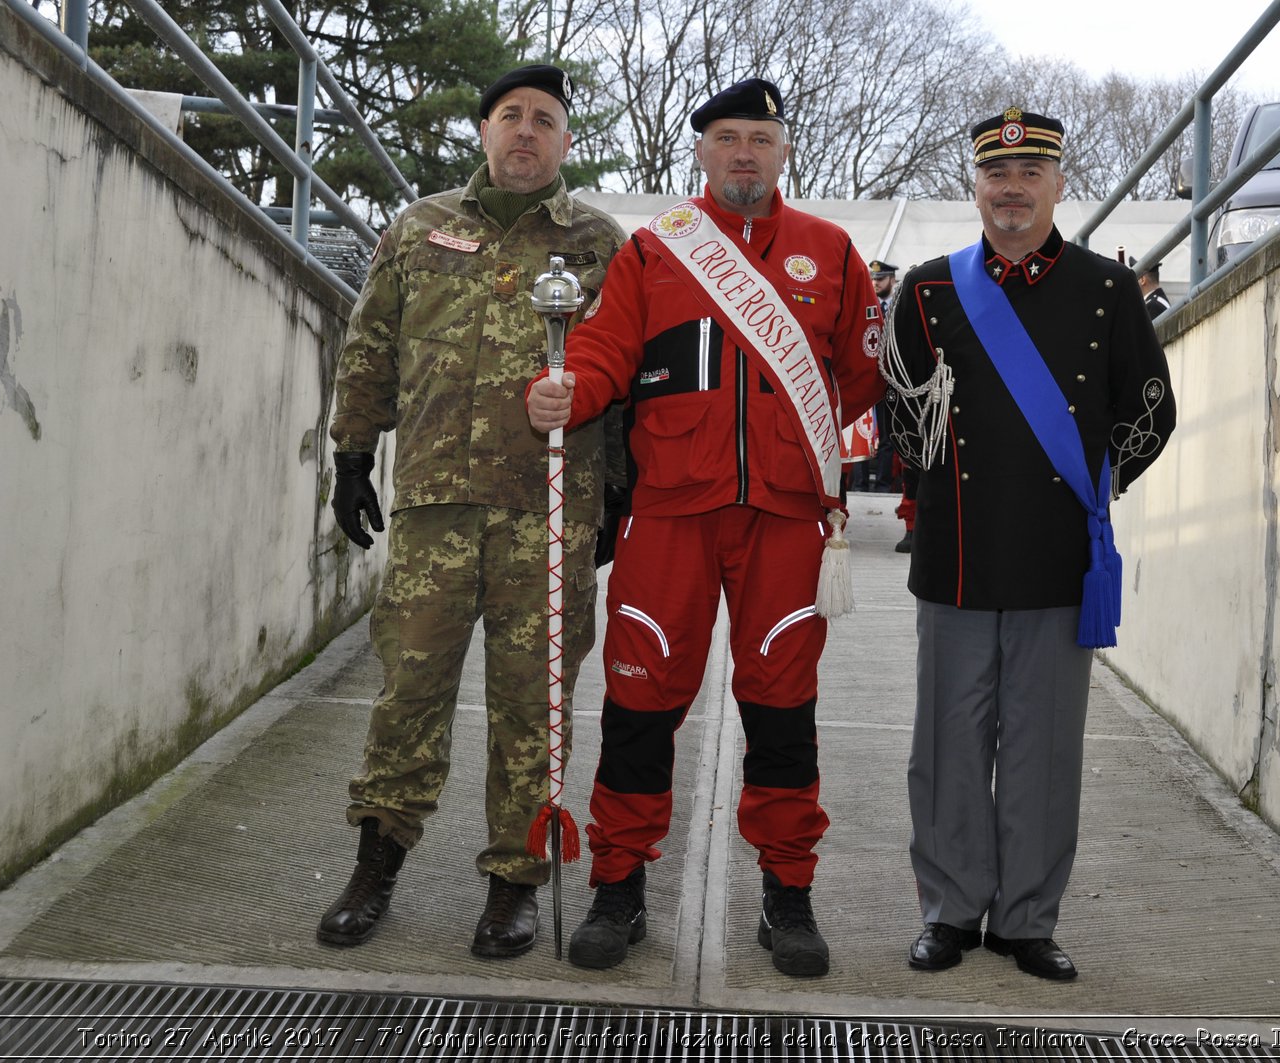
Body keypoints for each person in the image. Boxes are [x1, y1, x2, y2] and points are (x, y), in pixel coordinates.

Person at [526, 78, 887, 978]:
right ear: (702, 151)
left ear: (784, 151)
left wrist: (787, 441)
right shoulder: (656, 250)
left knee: (781, 712)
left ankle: (787, 892)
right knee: (641, 705)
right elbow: (607, 349)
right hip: (672, 513)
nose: (743, 154)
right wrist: (573, 387)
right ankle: (619, 884)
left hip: (787, 519)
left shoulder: (831, 251)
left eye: (760, 138)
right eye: (727, 137)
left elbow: (859, 376)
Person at [318, 64, 627, 960]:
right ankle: (376, 863)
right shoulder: (420, 229)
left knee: (535, 704)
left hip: (550, 514)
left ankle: (513, 885)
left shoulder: (601, 245)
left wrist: (619, 501)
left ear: (566, 142)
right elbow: (370, 343)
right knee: (409, 689)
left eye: (544, 120)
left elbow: (632, 376)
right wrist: (349, 451)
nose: (526, 132)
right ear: (484, 133)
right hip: (435, 510)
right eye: (510, 117)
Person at [882, 108, 1175, 980]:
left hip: (1057, 559)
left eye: (1029, 173)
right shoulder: (929, 291)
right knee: (947, 747)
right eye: (995, 175)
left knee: (1044, 748)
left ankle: (1026, 920)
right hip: (958, 554)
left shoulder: (1108, 291)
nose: (1011, 190)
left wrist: (1093, 489)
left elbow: (1149, 409)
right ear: (974, 186)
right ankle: (949, 910)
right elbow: (899, 413)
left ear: (1056, 182)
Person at [867, 260, 901, 493]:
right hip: (869, 378)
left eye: (880, 279)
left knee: (889, 435)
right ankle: (859, 484)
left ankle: (882, 485)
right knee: (862, 433)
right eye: (874, 279)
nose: (875, 283)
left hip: (891, 380)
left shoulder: (899, 305)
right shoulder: (867, 305)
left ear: (892, 280)